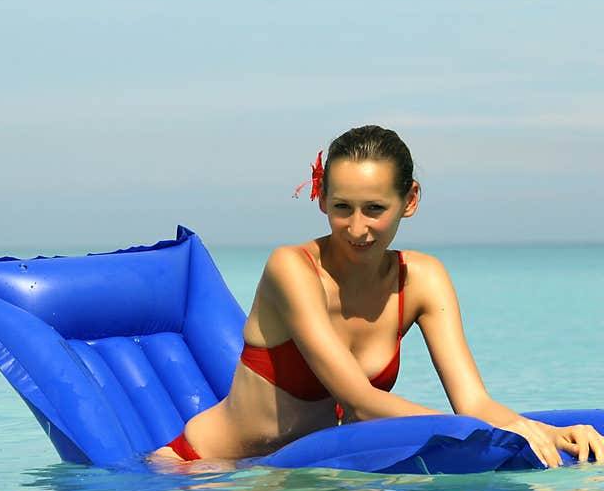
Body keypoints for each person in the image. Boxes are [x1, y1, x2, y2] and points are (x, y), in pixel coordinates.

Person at [153, 124, 604, 468]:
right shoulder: (292, 269)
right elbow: (359, 401)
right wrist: (488, 436)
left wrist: (550, 432)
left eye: (374, 209)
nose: (356, 228)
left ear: (409, 200)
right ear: (321, 199)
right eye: (341, 208)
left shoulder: (423, 279)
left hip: (301, 473)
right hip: (200, 473)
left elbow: (474, 403)